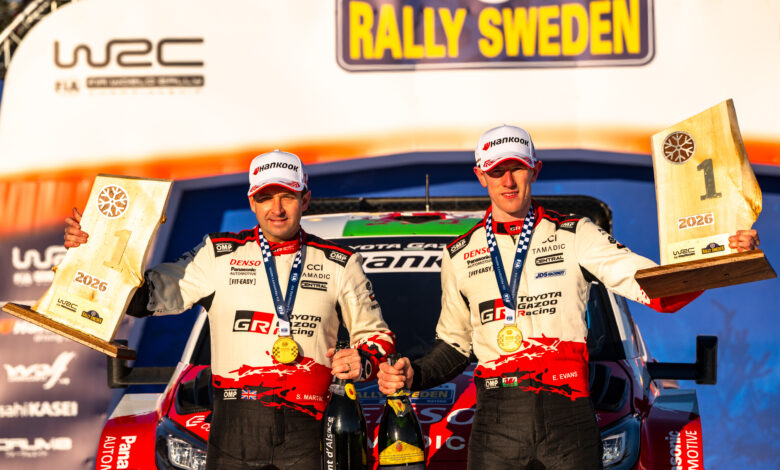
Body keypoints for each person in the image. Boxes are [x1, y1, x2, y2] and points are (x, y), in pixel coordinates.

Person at [376, 125, 760, 470]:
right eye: (496, 171)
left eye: (517, 168)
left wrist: (720, 256)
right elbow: (456, 347)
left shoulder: (577, 234)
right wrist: (416, 374)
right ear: (481, 176)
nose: (508, 181)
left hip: (569, 413)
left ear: (535, 170)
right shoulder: (459, 254)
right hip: (496, 419)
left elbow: (653, 288)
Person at [65, 150, 395, 470]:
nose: (276, 209)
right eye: (266, 197)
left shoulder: (340, 263)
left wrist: (363, 361)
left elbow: (377, 336)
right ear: (252, 202)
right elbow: (144, 299)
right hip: (233, 425)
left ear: (305, 200)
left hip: (311, 428)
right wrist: (95, 250)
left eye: (288, 197)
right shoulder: (217, 255)